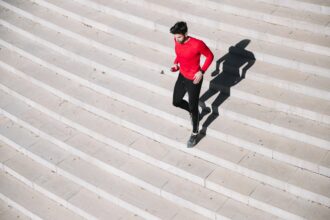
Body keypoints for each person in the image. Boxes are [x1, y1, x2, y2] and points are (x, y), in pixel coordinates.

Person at [170, 21, 214, 148]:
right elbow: (179, 54)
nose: (176, 40)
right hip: (182, 75)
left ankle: (195, 133)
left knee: (193, 106)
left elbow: (210, 56)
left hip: (194, 78)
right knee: (176, 101)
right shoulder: (176, 40)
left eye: (179, 37)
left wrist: (202, 71)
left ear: (185, 34)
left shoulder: (197, 44)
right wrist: (176, 63)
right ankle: (193, 112)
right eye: (175, 37)